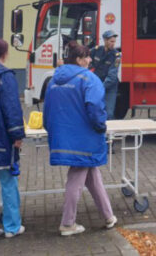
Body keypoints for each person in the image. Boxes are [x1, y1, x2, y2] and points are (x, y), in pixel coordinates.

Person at [43, 41, 117, 236]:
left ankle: (108, 216)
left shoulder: (54, 80)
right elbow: (95, 107)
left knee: (92, 175)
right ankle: (67, 223)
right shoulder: (89, 79)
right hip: (85, 138)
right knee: (76, 178)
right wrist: (101, 126)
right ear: (79, 60)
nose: (91, 59)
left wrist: (50, 128)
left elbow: (47, 108)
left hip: (63, 136)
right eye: (87, 57)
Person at [0, 38, 25, 239]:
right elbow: (12, 108)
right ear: (5, 54)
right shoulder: (6, 76)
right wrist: (17, 135)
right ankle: (12, 227)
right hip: (1, 141)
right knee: (8, 184)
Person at [90, 30, 121, 120]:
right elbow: (87, 62)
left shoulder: (116, 56)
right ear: (105, 40)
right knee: (94, 110)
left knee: (109, 113)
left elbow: (112, 76)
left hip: (109, 87)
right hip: (97, 84)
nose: (113, 44)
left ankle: (109, 132)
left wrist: (100, 87)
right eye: (111, 41)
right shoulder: (96, 50)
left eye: (114, 41)